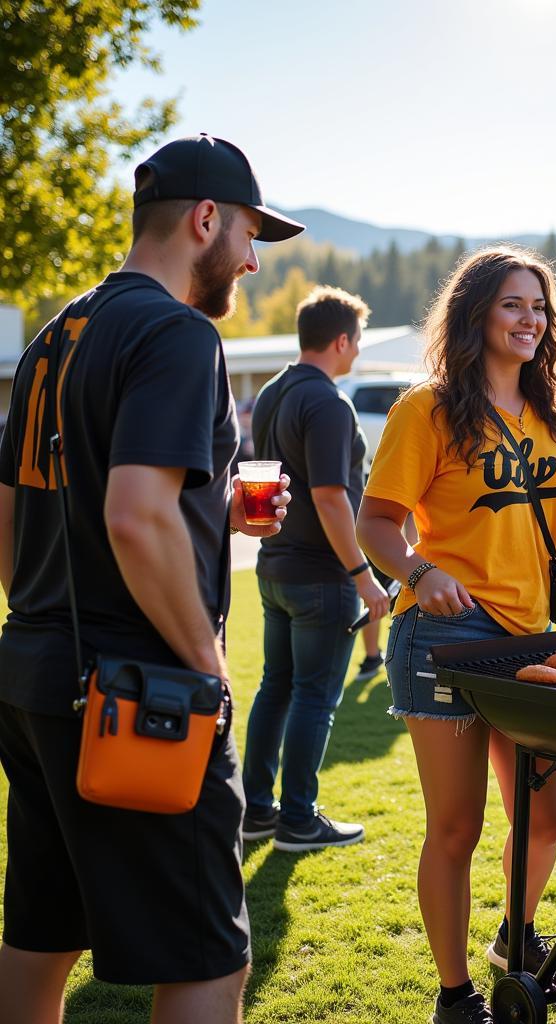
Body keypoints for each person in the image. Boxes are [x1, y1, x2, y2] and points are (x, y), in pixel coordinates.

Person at [0, 134, 301, 1024]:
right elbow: (134, 516)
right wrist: (206, 665)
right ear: (206, 219)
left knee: (42, 930)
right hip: (141, 695)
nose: (251, 261)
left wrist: (213, 519)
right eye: (249, 235)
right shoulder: (178, 333)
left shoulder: (61, 331)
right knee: (211, 954)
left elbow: (17, 511)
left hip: (31, 674)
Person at [356, 245, 556, 1024]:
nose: (530, 319)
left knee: (544, 819)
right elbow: (373, 523)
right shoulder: (429, 408)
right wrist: (418, 573)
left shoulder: (554, 410)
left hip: (531, 638)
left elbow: (545, 521)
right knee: (456, 826)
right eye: (514, 304)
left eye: (540, 307)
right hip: (444, 637)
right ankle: (455, 995)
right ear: (476, 313)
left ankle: (515, 935)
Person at [242, 286, 389, 851]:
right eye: (358, 340)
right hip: (320, 577)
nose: (358, 351)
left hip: (274, 566)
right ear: (341, 340)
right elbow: (331, 497)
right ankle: (298, 820)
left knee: (276, 687)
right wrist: (362, 575)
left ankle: (257, 811)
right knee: (313, 697)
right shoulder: (328, 402)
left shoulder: (274, 391)